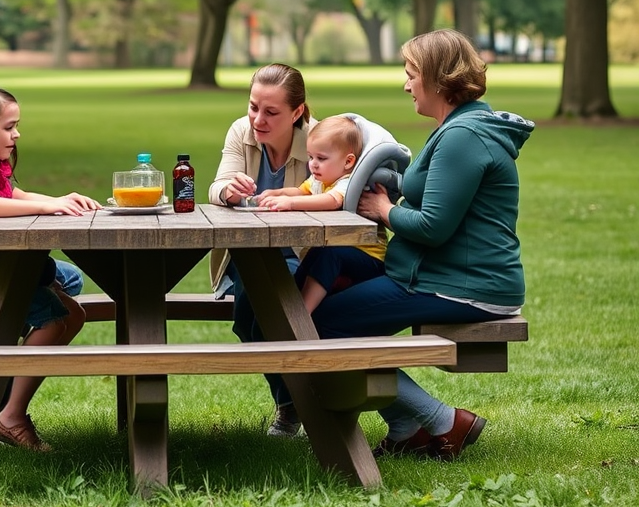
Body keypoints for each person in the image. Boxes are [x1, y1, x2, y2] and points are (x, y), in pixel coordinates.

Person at [313, 29, 533, 460]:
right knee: (330, 280)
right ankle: (405, 425)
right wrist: (392, 194)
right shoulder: (456, 127)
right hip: (438, 274)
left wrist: (384, 209)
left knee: (323, 325)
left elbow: (433, 226)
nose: (406, 83)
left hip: (464, 285)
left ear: (436, 78)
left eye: (411, 73)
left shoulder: (462, 136)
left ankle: (442, 421)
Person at [0, 84, 102, 452]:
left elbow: (13, 195)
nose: (17, 135)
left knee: (71, 311)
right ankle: (9, 416)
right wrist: (46, 209)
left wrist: (61, 199)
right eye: (8, 127)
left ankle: (8, 408)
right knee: (59, 320)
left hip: (0, 262)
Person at [208, 63, 316, 438]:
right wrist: (228, 192)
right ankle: (296, 405)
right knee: (247, 322)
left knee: (269, 315)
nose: (258, 119)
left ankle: (292, 409)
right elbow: (216, 186)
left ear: (298, 112)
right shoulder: (242, 131)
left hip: (302, 257)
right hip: (247, 253)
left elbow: (336, 194)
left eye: (271, 112)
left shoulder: (320, 139)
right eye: (254, 107)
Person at [257, 115, 387, 314]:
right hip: (341, 253)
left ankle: (302, 313)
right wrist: (277, 193)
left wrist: (291, 203)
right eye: (310, 157)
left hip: (368, 257)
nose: (313, 164)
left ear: (348, 161)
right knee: (316, 253)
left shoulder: (349, 182)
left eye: (321, 158)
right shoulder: (321, 178)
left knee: (329, 254)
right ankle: (291, 302)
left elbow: (332, 201)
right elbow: (302, 191)